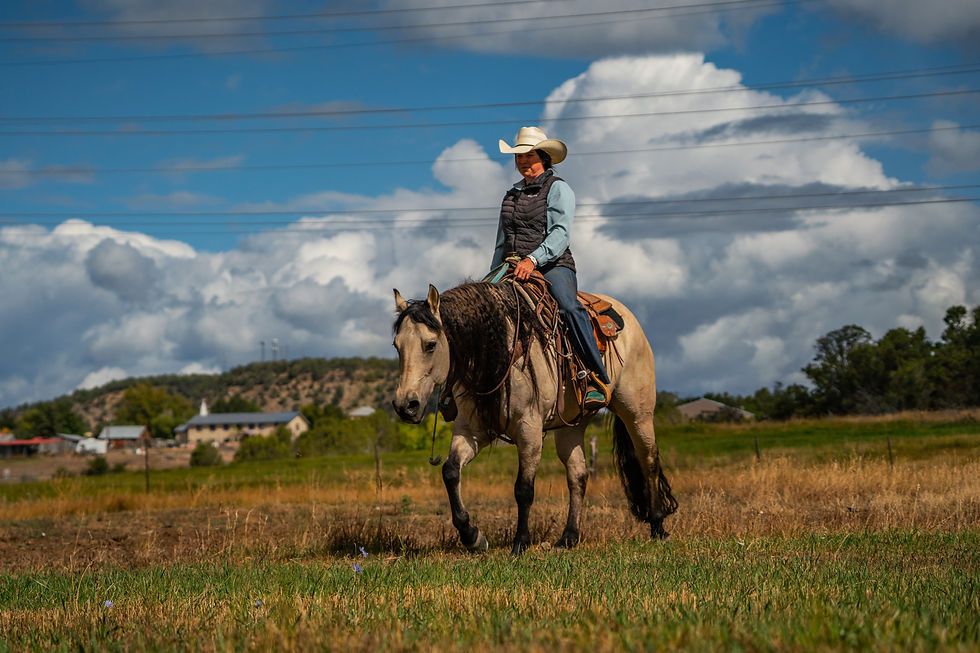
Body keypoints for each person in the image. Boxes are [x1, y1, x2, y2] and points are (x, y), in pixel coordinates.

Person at [491, 126, 610, 410]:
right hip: (510, 266)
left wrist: (532, 259)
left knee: (569, 307)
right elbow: (501, 242)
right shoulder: (510, 196)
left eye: (529, 155)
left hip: (553, 264)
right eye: (519, 156)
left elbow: (560, 233)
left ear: (544, 157)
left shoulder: (558, 188)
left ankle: (594, 377)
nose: (523, 161)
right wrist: (491, 279)